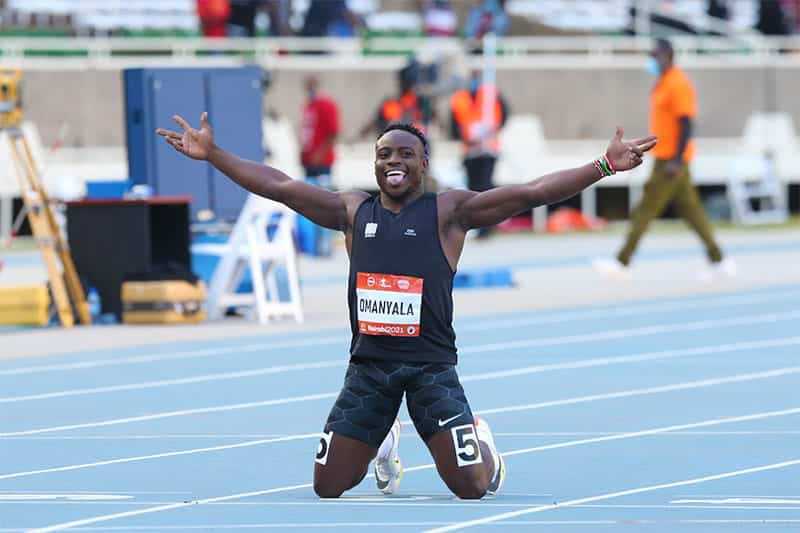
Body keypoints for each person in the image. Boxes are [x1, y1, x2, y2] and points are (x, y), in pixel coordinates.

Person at [157, 113, 656, 499]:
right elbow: (280, 186)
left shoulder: (449, 213)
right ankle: (385, 440)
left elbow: (530, 192)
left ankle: (481, 441)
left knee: (472, 488)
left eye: (405, 154)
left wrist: (605, 165)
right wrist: (215, 154)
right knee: (327, 487)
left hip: (430, 371)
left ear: (424, 164)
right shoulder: (352, 211)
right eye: (383, 154)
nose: (392, 162)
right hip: (369, 370)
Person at [593, 38, 734, 280]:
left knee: (645, 211)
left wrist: (677, 160)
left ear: (668, 56)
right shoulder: (664, 82)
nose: (652, 60)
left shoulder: (678, 84)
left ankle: (622, 261)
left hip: (671, 160)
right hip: (667, 158)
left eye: (655, 55)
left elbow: (686, 124)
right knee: (693, 212)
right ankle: (719, 259)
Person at [449, 69, 509, 238]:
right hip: (470, 150)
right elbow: (453, 127)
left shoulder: (491, 95)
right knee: (473, 189)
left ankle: (487, 226)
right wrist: (466, 138)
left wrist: (492, 130)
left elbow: (504, 115)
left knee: (486, 186)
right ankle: (478, 223)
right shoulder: (459, 99)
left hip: (488, 149)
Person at [299, 75, 340, 256]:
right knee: (309, 205)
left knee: (324, 204)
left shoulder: (326, 105)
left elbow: (333, 132)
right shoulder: (309, 106)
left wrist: (320, 154)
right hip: (309, 163)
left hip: (322, 164)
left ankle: (324, 247)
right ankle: (314, 247)